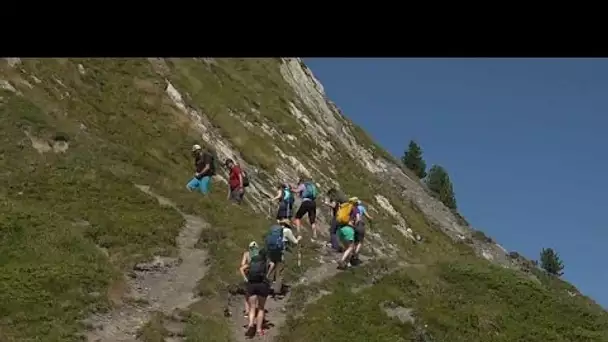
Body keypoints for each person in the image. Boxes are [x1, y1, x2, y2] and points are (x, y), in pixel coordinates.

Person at [240, 248, 272, 338]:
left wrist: (246, 279)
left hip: (252, 285)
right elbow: (272, 265)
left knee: (252, 307)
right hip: (262, 285)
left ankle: (250, 325)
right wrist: (268, 275)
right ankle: (258, 330)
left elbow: (242, 268)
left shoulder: (253, 261)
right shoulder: (266, 261)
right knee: (261, 308)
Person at [265, 220, 301, 297]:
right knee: (280, 272)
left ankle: (267, 288)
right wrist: (298, 238)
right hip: (281, 253)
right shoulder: (287, 231)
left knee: (271, 270)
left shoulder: (273, 229)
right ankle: (277, 291)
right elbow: (295, 242)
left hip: (271, 253)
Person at [335, 197, 360, 270]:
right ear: (355, 203)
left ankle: (347, 264)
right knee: (351, 247)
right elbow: (358, 219)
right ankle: (342, 260)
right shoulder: (354, 209)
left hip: (340, 229)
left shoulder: (344, 207)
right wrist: (355, 225)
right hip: (348, 229)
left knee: (347, 248)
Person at [323, 188, 347, 252]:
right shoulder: (341, 198)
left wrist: (327, 203)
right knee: (336, 231)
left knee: (332, 231)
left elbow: (333, 205)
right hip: (343, 217)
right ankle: (333, 244)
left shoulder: (335, 198)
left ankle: (335, 247)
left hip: (338, 216)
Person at [240, 241, 260, 318]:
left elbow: (242, 264)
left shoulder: (246, 254)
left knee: (247, 294)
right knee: (256, 293)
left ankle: (247, 311)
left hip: (248, 275)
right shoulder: (259, 254)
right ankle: (254, 310)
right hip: (258, 276)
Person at [352, 199, 373, 265]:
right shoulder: (361, 208)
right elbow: (368, 217)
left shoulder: (351, 208)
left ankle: (353, 255)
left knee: (354, 241)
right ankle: (355, 254)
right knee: (360, 242)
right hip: (359, 225)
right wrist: (371, 219)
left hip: (352, 225)